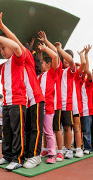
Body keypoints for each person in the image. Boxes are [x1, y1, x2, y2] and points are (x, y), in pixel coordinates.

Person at [0, 10, 27, 170]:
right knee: (7, 131)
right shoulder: (4, 66)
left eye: (4, 47)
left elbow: (16, 45)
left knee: (18, 132)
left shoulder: (18, 58)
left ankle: (18, 159)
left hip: (18, 102)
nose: (2, 51)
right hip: (7, 103)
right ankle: (7, 156)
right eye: (0, 49)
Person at [37, 31, 64, 162]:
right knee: (42, 131)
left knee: (49, 131)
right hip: (39, 107)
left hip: (49, 108)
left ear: (48, 65)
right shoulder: (40, 76)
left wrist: (45, 47)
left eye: (42, 63)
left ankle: (52, 154)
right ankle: (45, 149)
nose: (40, 65)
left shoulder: (52, 73)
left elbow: (54, 56)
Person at [54, 42, 79, 159]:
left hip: (67, 104)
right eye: (63, 57)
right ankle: (62, 147)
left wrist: (60, 49)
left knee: (67, 127)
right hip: (57, 103)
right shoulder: (57, 70)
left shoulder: (71, 71)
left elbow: (72, 62)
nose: (66, 59)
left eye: (68, 57)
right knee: (57, 128)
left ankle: (69, 149)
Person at [79, 45, 93, 155]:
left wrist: (85, 55)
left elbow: (87, 71)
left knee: (86, 131)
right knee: (77, 130)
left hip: (86, 110)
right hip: (76, 109)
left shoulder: (88, 82)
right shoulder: (76, 81)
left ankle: (88, 147)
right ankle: (77, 146)